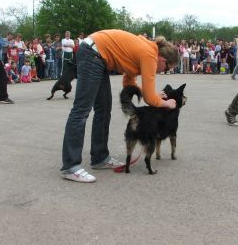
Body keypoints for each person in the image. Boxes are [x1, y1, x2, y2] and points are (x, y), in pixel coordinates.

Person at [60, 30, 179, 183]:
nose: (164, 71)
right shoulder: (150, 54)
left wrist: (155, 96)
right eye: (167, 68)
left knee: (103, 109)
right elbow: (149, 99)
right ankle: (70, 166)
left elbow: (128, 83)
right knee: (81, 110)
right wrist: (166, 103)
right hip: (93, 52)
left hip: (97, 54)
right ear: (162, 60)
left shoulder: (146, 51)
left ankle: (100, 158)